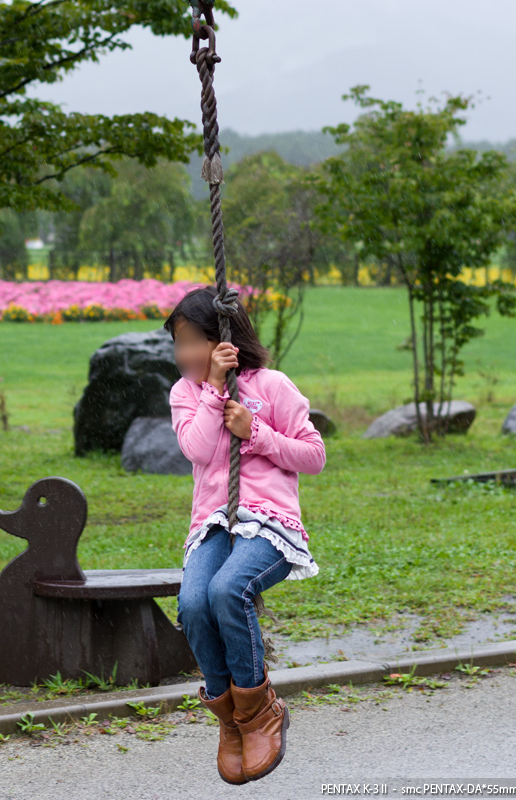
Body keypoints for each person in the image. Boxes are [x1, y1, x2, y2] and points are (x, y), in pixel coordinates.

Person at [164, 285, 325, 784]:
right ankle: (230, 719)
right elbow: (197, 450)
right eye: (179, 344)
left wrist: (255, 433)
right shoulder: (186, 393)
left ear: (224, 340)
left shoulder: (272, 385)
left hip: (270, 523)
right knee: (192, 602)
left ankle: (259, 711)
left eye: (194, 341)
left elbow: (313, 456)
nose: (184, 354)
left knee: (226, 590)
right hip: (215, 522)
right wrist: (214, 391)